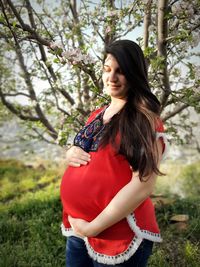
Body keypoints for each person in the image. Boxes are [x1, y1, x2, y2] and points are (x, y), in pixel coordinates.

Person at [60, 39, 167, 267]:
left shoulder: (143, 120)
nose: (112, 77)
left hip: (118, 234)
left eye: (121, 71)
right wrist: (70, 153)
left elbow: (143, 185)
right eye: (107, 70)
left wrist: (94, 227)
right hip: (79, 231)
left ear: (134, 74)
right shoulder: (97, 114)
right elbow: (89, 153)